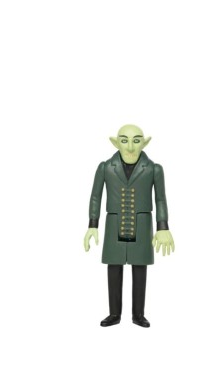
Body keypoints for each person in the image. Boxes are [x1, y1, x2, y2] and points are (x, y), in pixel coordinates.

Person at [84, 124, 175, 328]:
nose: (131, 146)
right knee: (113, 267)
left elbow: (160, 199)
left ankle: (138, 314)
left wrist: (163, 227)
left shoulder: (154, 169)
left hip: (142, 224)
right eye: (124, 140)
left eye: (136, 140)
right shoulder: (105, 167)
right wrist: (92, 224)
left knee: (140, 269)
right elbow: (95, 196)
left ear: (145, 142)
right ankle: (114, 313)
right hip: (114, 223)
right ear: (116, 143)